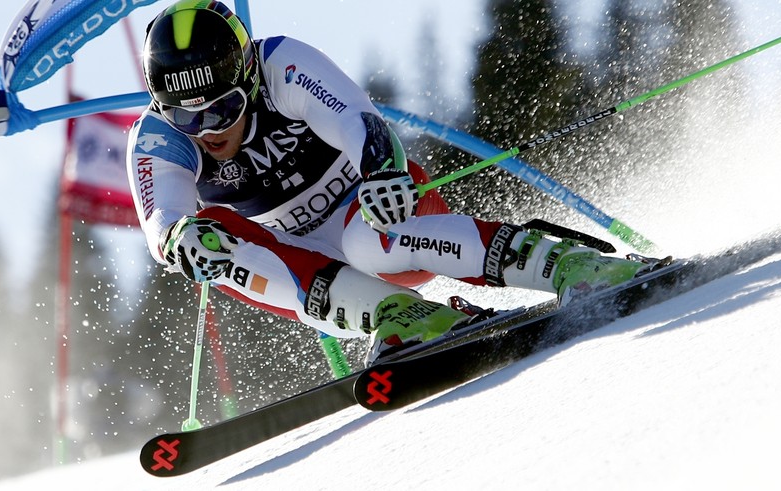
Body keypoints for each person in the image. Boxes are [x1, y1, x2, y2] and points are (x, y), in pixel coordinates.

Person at [126, 1, 653, 365]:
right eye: (187, 118)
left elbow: (360, 123)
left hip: (376, 211)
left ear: (246, 80)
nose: (209, 131)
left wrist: (382, 174)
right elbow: (163, 226)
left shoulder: (278, 64)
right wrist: (180, 241)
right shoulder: (155, 138)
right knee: (208, 238)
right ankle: (400, 318)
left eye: (223, 109)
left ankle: (566, 264)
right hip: (302, 263)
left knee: (368, 241)